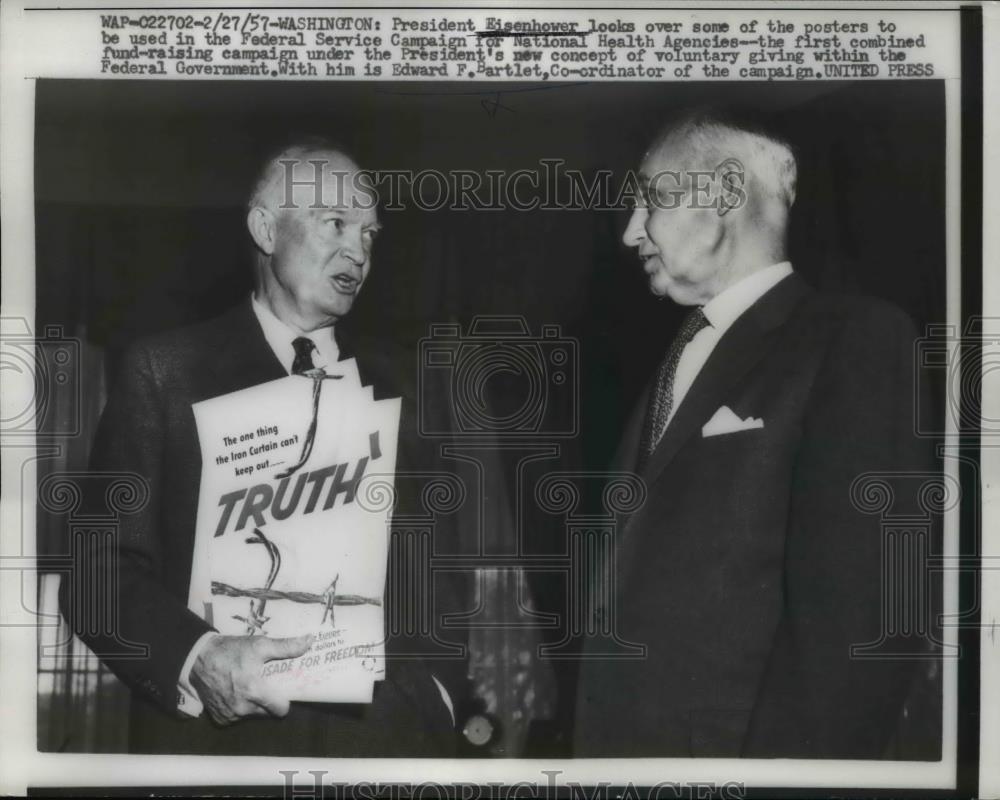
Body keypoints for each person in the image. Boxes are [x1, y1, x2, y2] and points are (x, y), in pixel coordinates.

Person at [60, 140, 467, 756]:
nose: (358, 251)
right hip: (219, 753)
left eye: (371, 235)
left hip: (386, 748)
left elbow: (440, 571)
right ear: (265, 228)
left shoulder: (408, 387)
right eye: (336, 223)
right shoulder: (164, 373)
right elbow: (95, 577)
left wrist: (438, 695)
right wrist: (198, 658)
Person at [573, 110, 939, 759]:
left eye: (649, 200)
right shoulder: (674, 357)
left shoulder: (854, 339)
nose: (631, 233)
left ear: (724, 193)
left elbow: (864, 630)